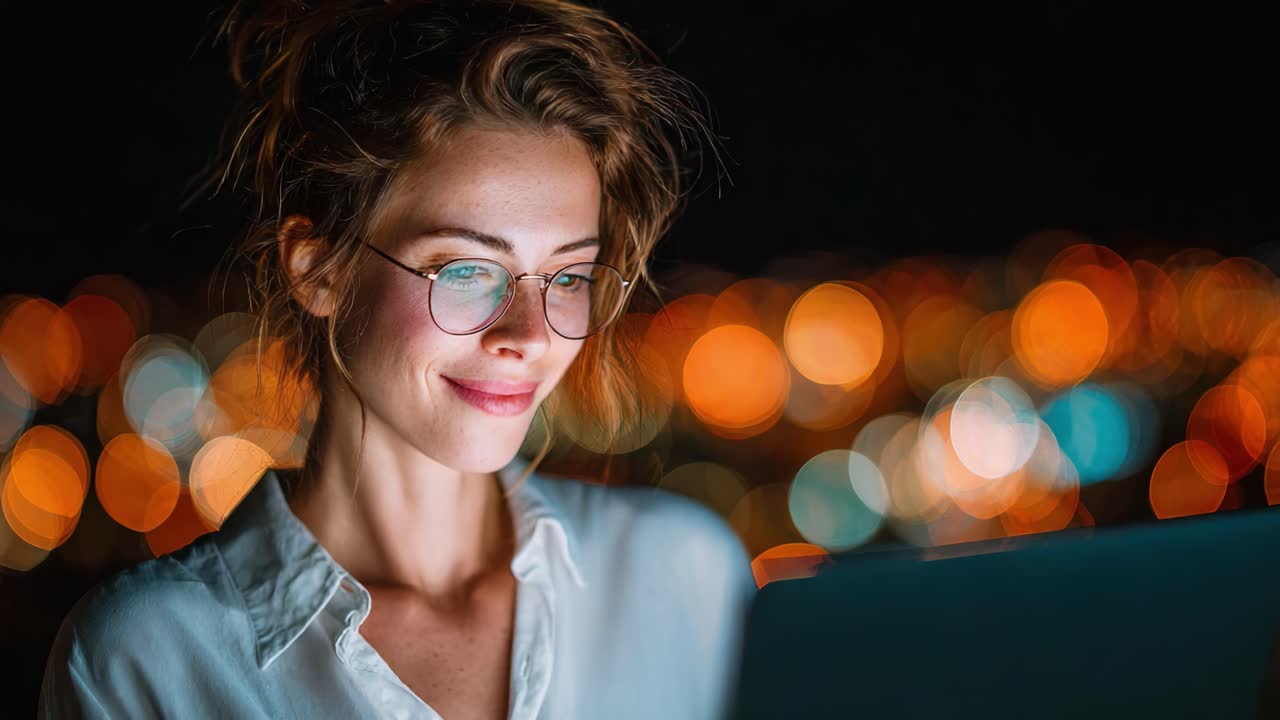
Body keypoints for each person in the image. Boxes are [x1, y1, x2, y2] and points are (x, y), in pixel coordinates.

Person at [38, 1, 755, 718]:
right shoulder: (148, 660)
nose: (531, 335)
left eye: (568, 277)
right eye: (468, 270)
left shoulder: (687, 578)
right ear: (320, 271)